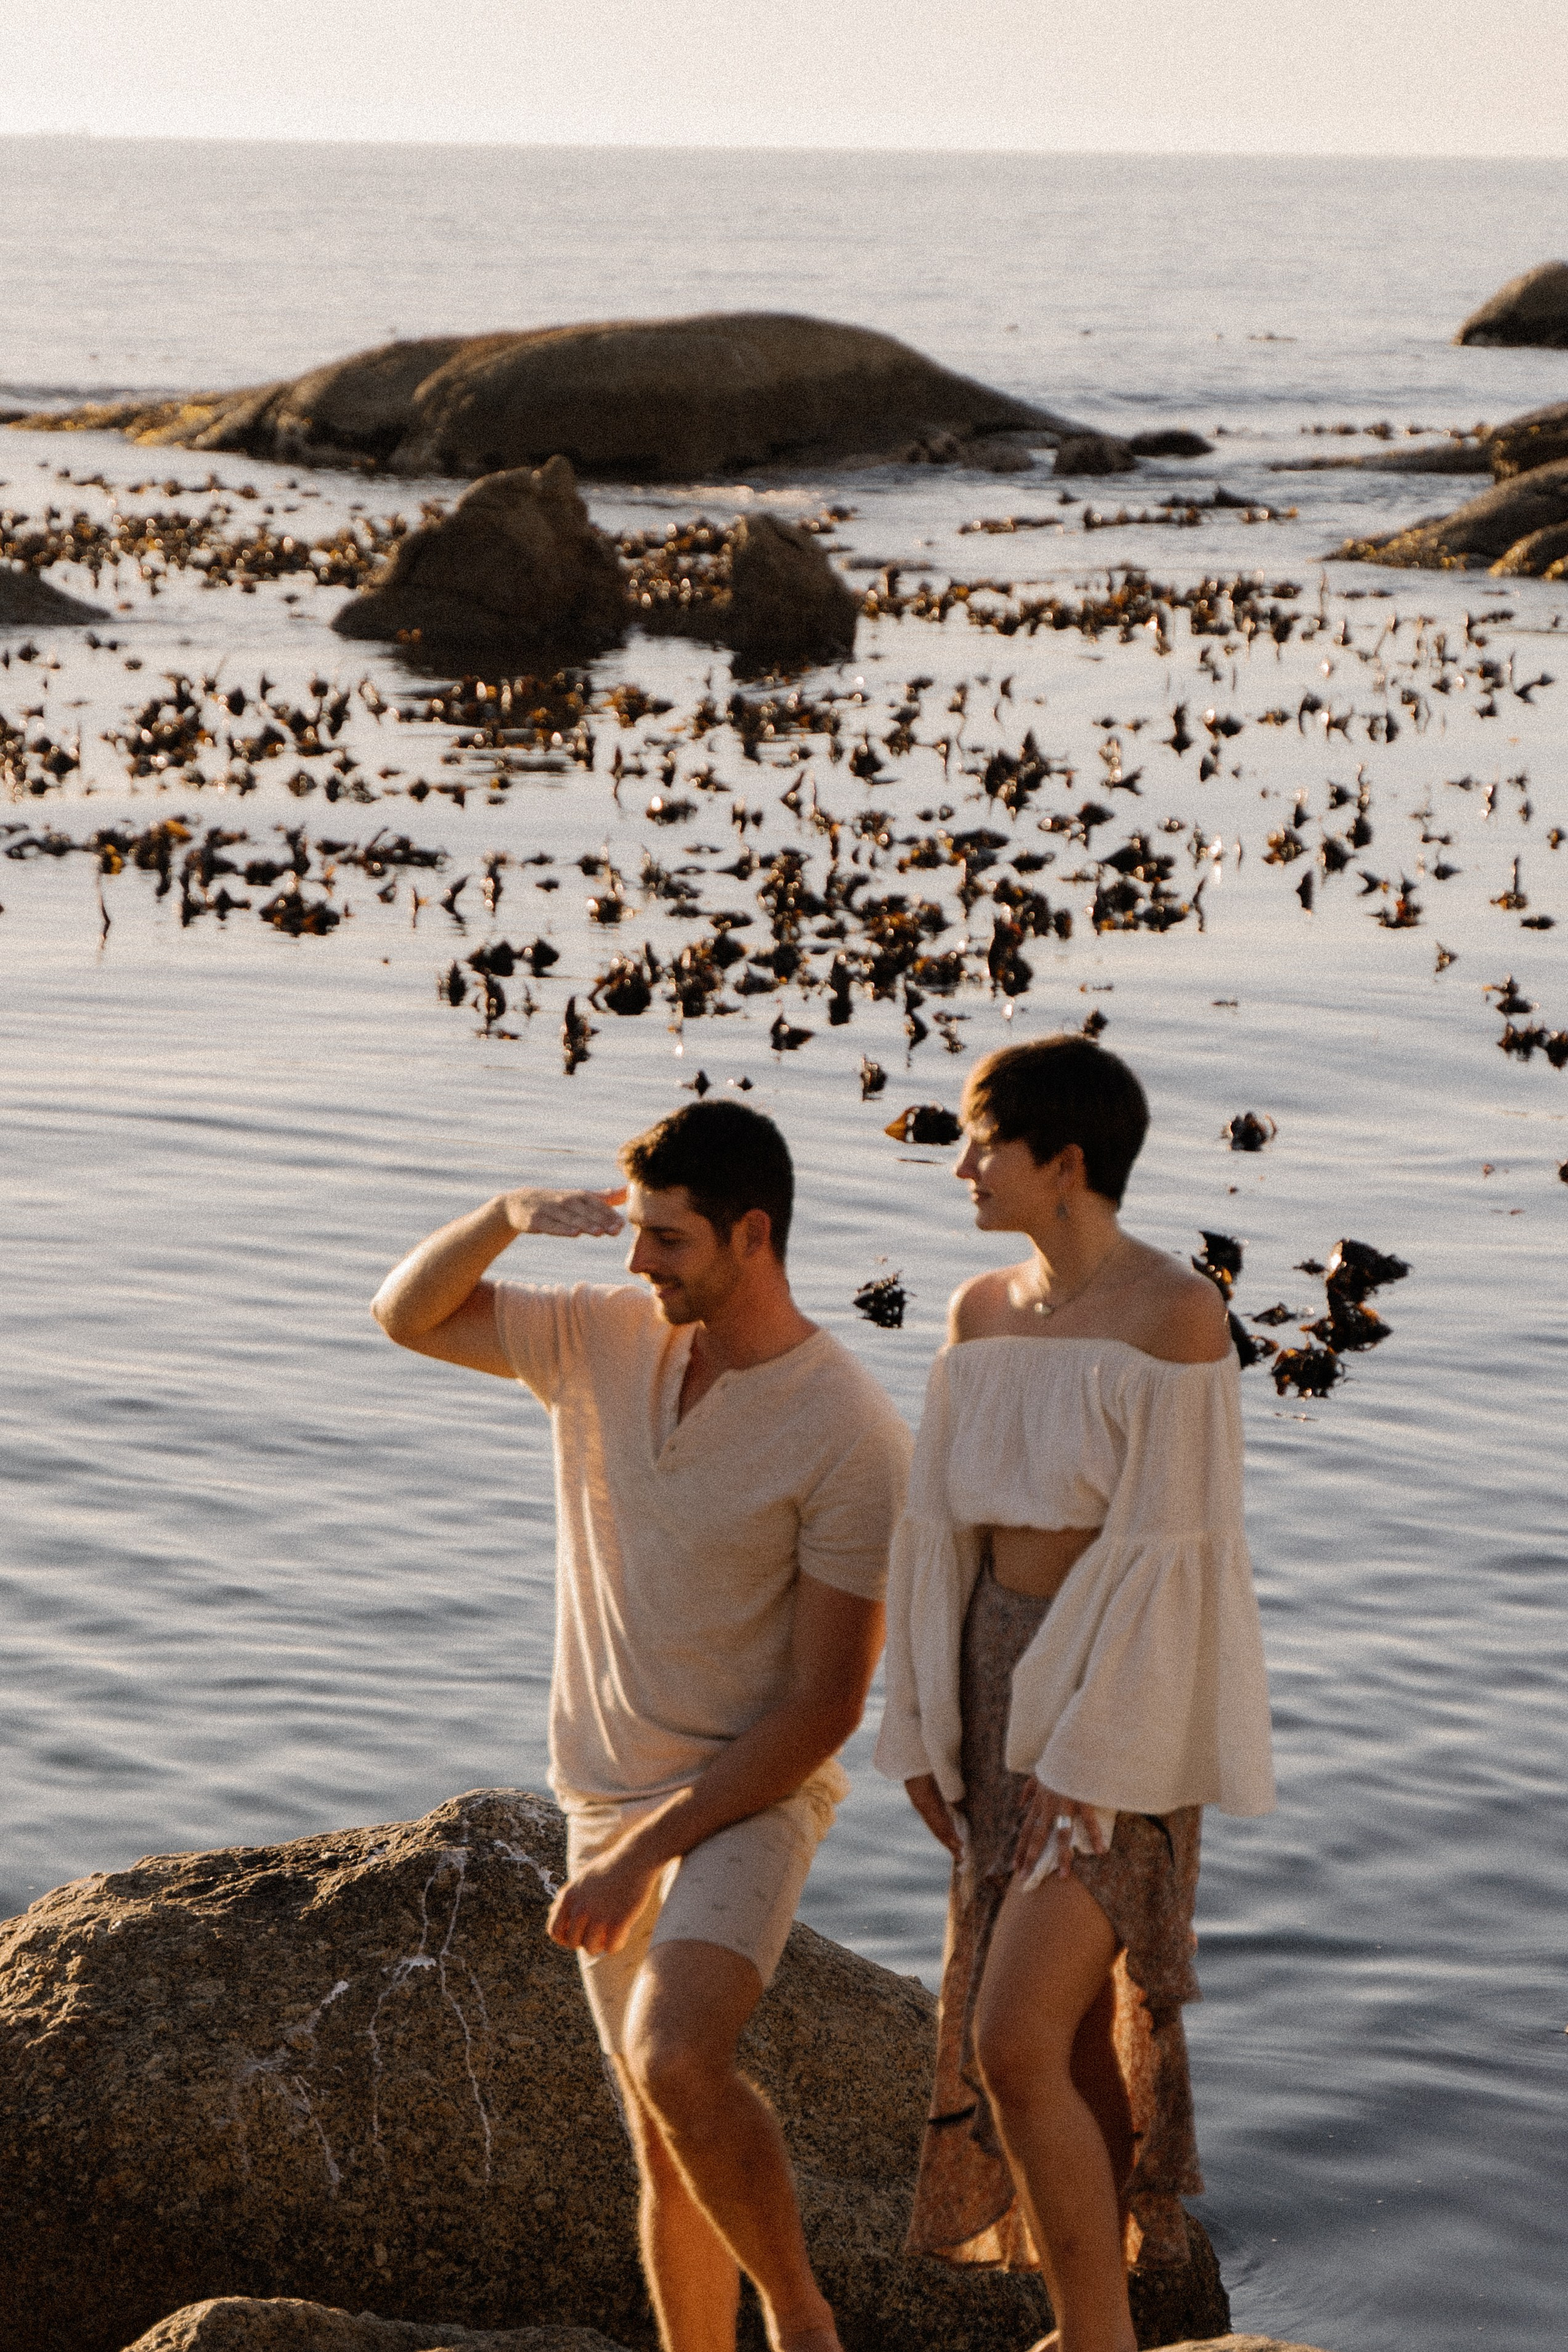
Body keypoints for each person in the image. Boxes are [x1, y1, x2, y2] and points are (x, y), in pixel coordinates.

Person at [371, 1099, 911, 2352]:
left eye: (665, 1239)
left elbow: (825, 1705)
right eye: (634, 1234)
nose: (635, 1263)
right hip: (601, 1785)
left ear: (751, 1236)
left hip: (748, 1790)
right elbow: (404, 1313)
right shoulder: (601, 1338)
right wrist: (505, 1214)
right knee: (662, 2148)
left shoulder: (850, 1432)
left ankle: (801, 2321)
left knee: (676, 2060)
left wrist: (640, 1852)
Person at [874, 1035, 1274, 2352]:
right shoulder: (978, 1311)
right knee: (1071, 2043)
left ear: (1067, 1162)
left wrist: (1093, 1755)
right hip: (990, 1689)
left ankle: (1096, 2339)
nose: (962, 1164)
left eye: (986, 1142)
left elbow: (1177, 1562)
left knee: (1010, 2035)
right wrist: (924, 1723)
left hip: (1118, 1700)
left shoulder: (1176, 1313)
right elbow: (937, 1534)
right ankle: (1094, 2322)